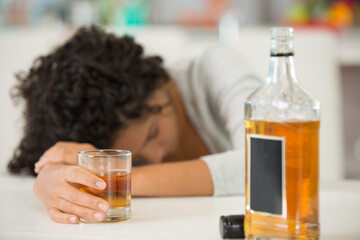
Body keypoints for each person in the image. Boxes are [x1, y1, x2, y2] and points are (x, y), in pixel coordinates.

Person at [8, 26, 262, 224]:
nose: (156, 158)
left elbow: (266, 165)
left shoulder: (215, 69)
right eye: (135, 158)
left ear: (158, 82)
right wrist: (51, 175)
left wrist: (116, 179)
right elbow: (65, 162)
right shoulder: (110, 134)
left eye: (152, 133)